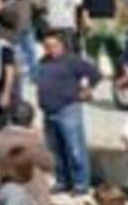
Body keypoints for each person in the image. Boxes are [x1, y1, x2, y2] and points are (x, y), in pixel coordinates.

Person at [32, 32, 100, 196]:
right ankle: (63, 181)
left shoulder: (72, 60)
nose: (50, 49)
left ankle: (81, 183)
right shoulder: (43, 62)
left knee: (75, 149)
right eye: (46, 46)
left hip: (68, 109)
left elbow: (95, 74)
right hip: (49, 111)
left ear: (61, 45)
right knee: (56, 150)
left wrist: (87, 90)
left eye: (53, 46)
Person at [81, 0, 123, 75]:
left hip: (108, 19)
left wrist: (116, 19)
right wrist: (86, 19)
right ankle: (93, 72)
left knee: (113, 47)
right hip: (94, 20)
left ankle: (117, 70)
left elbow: (115, 4)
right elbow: (85, 6)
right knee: (92, 48)